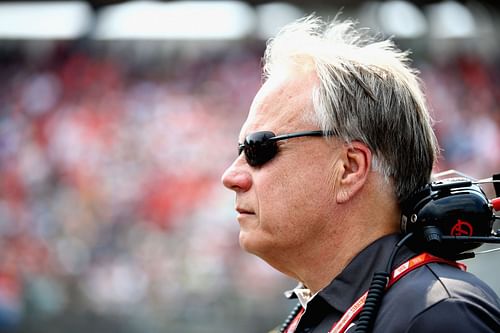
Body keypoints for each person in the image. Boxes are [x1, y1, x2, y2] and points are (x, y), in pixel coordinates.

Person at [221, 15, 500, 333]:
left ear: (350, 168)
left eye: (258, 148)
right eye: (239, 150)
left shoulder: (440, 314)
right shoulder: (316, 312)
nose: (231, 176)